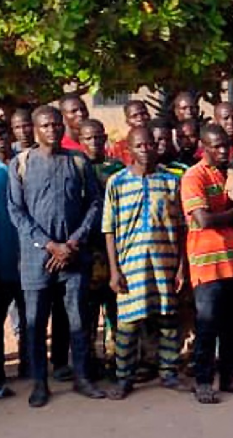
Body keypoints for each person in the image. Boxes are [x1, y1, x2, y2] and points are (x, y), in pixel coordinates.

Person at [7, 106, 105, 407]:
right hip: (36, 258)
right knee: (35, 323)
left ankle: (82, 378)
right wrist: (49, 245)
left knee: (78, 319)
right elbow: (16, 211)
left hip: (74, 256)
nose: (52, 130)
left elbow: (94, 204)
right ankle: (40, 383)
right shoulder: (20, 163)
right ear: (35, 129)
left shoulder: (78, 161)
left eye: (56, 124)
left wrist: (73, 242)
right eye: (46, 125)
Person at [102, 127, 187, 400]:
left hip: (165, 262)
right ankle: (124, 378)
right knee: (128, 323)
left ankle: (169, 372)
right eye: (139, 145)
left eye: (150, 144)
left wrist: (181, 267)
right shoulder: (116, 182)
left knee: (168, 319)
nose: (145, 150)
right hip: (130, 266)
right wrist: (114, 271)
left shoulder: (171, 181)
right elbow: (108, 229)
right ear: (129, 149)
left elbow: (182, 227)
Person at [180, 124, 233, 404]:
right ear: (204, 148)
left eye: (226, 145)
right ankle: (203, 381)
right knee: (207, 324)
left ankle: (230, 376)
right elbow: (203, 220)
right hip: (207, 264)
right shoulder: (194, 176)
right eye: (217, 146)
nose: (224, 150)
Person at [79, 119, 126, 379]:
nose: (94, 142)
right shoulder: (74, 166)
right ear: (80, 140)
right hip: (85, 250)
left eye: (98, 137)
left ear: (105, 138)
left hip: (114, 249)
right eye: (88, 138)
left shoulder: (117, 169)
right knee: (86, 311)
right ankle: (87, 361)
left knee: (115, 308)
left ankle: (115, 360)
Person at [0, 120, 25, 399]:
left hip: (26, 254)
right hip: (2, 257)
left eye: (2, 133)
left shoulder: (22, 165)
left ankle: (30, 367)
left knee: (30, 316)